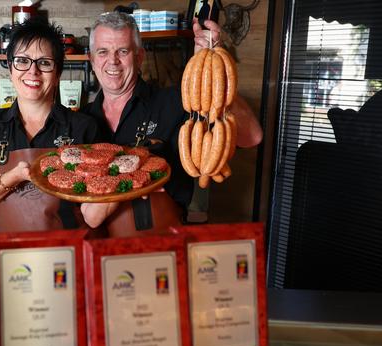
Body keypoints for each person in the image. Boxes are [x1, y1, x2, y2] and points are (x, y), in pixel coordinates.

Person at [79, 12, 262, 237]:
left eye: (123, 51)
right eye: (103, 51)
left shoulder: (176, 101)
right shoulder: (82, 121)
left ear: (139, 57)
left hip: (161, 238)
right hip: (98, 243)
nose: (113, 61)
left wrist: (216, 73)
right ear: (92, 60)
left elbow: (252, 136)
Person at [0, 17, 98, 232]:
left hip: (71, 253)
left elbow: (96, 212)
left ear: (58, 73)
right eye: (22, 60)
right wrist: (14, 176)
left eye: (44, 62)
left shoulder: (83, 128)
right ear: (10, 67)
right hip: (14, 257)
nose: (33, 71)